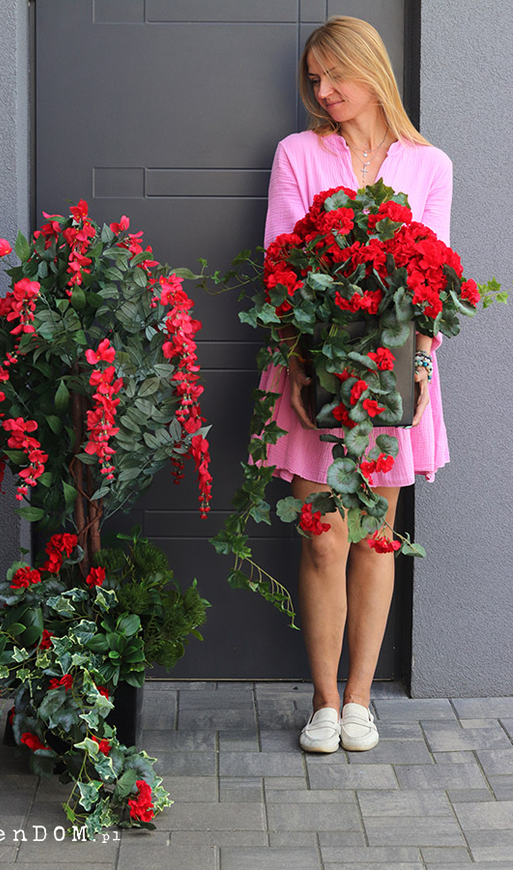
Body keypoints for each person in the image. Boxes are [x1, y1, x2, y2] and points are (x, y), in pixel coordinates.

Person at [259, 16, 451, 753]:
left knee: (375, 539)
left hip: (394, 384)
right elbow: (279, 267)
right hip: (316, 373)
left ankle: (363, 699)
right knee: (321, 543)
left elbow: (433, 285)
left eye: (334, 75)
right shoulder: (298, 154)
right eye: (313, 78)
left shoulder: (429, 166)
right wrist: (300, 365)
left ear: (372, 71)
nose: (323, 90)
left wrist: (423, 369)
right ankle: (324, 701)